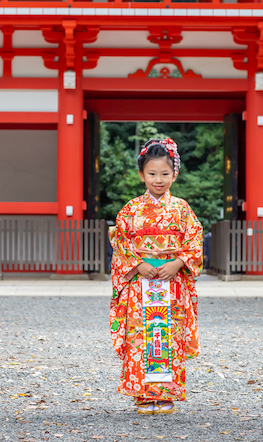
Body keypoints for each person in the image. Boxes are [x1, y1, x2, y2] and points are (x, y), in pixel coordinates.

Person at [109, 138, 203, 415]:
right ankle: (142, 394)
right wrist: (138, 265)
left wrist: (178, 263)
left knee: (167, 337)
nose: (158, 180)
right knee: (141, 337)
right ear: (141, 175)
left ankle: (165, 394)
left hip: (171, 282)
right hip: (141, 283)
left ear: (174, 173)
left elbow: (194, 242)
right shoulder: (130, 210)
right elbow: (121, 244)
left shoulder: (182, 209)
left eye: (164, 173)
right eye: (152, 173)